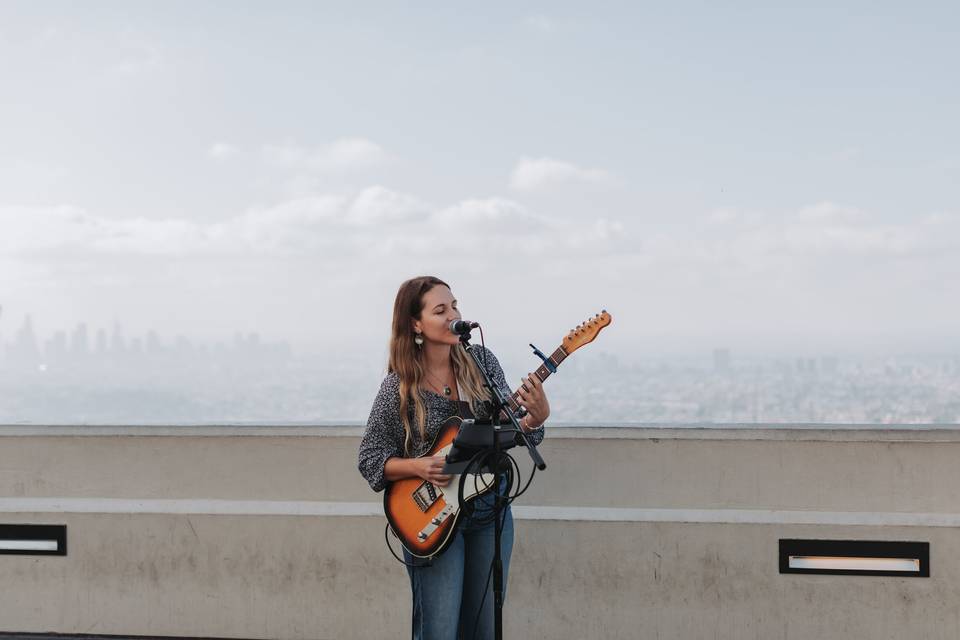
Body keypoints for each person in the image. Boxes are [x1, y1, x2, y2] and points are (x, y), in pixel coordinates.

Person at [358, 275, 549, 640]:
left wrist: (536, 418)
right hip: (432, 516)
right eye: (440, 310)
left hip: (490, 510)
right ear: (416, 323)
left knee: (484, 628)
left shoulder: (481, 363)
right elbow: (369, 458)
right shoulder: (399, 385)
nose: (453, 316)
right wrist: (418, 466)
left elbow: (515, 431)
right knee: (439, 630)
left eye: (455, 306)